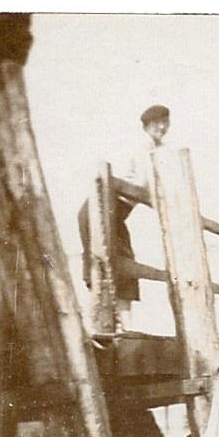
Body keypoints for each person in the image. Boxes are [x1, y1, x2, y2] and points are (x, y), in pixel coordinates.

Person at [77, 104, 171, 327]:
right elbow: (143, 181)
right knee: (111, 257)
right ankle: (112, 321)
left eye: (165, 123)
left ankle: (116, 321)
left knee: (116, 255)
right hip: (107, 203)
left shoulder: (158, 149)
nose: (162, 127)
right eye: (157, 123)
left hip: (114, 207)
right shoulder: (143, 146)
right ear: (146, 125)